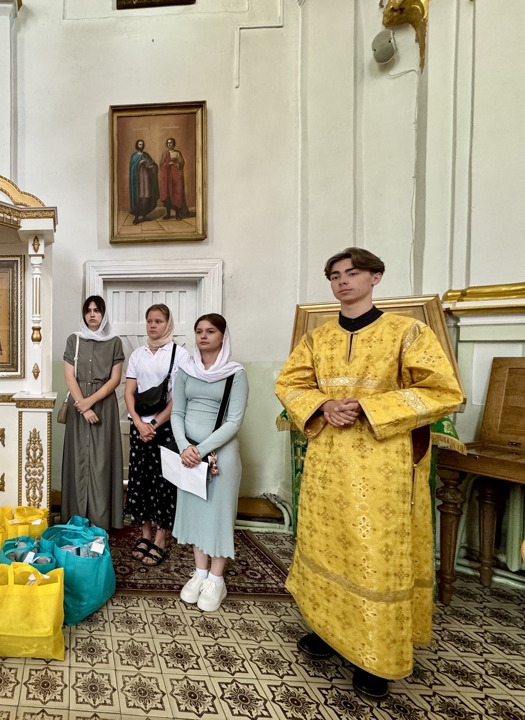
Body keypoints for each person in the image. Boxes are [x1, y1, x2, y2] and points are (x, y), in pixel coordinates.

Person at [275, 247, 463, 700]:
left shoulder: (407, 332)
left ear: (375, 277)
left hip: (382, 467)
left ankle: (375, 655)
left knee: (372, 553)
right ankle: (326, 629)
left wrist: (368, 407)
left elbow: (443, 391)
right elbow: (289, 382)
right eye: (335, 275)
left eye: (353, 273)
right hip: (326, 463)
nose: (343, 281)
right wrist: (324, 404)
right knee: (327, 543)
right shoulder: (317, 338)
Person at [170, 313, 248, 613]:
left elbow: (234, 421)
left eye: (211, 331)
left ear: (223, 336)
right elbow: (177, 412)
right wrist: (184, 447)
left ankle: (217, 578)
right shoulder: (185, 370)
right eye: (199, 331)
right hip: (188, 455)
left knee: (218, 514)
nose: (203, 336)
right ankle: (200, 573)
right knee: (195, 512)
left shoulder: (235, 373)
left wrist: (201, 450)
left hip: (220, 455)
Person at [123, 303, 190, 565]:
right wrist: (139, 423)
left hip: (165, 428)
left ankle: (161, 538)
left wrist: (154, 423)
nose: (153, 325)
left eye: (158, 321)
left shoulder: (179, 354)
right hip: (139, 427)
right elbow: (129, 391)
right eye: (149, 321)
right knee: (140, 480)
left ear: (168, 324)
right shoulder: (137, 354)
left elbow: (179, 395)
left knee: (164, 482)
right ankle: (145, 535)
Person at [60, 296, 126, 531]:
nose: (92, 315)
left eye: (97, 310)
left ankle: (101, 521)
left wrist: (89, 403)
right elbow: (69, 376)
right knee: (78, 458)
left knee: (101, 461)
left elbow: (115, 379)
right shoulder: (74, 340)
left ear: (103, 313)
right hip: (79, 407)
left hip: (103, 406)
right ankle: (75, 518)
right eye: (88, 311)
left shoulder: (115, 342)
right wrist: (83, 406)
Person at [128, 139, 159, 224]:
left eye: (142, 144)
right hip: (138, 180)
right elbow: (132, 168)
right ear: (137, 146)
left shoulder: (146, 155)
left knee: (146, 197)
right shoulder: (134, 156)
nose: (141, 146)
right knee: (139, 198)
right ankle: (136, 217)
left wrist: (151, 165)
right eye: (139, 144)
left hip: (146, 178)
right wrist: (139, 163)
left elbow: (153, 165)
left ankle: (145, 215)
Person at [159, 137, 189, 220]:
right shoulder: (165, 154)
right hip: (167, 177)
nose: (169, 144)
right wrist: (167, 164)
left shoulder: (177, 153)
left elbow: (182, 163)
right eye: (168, 143)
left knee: (177, 195)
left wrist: (176, 163)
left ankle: (177, 215)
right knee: (168, 196)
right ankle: (168, 214)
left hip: (176, 177)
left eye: (171, 143)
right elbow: (161, 165)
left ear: (173, 144)